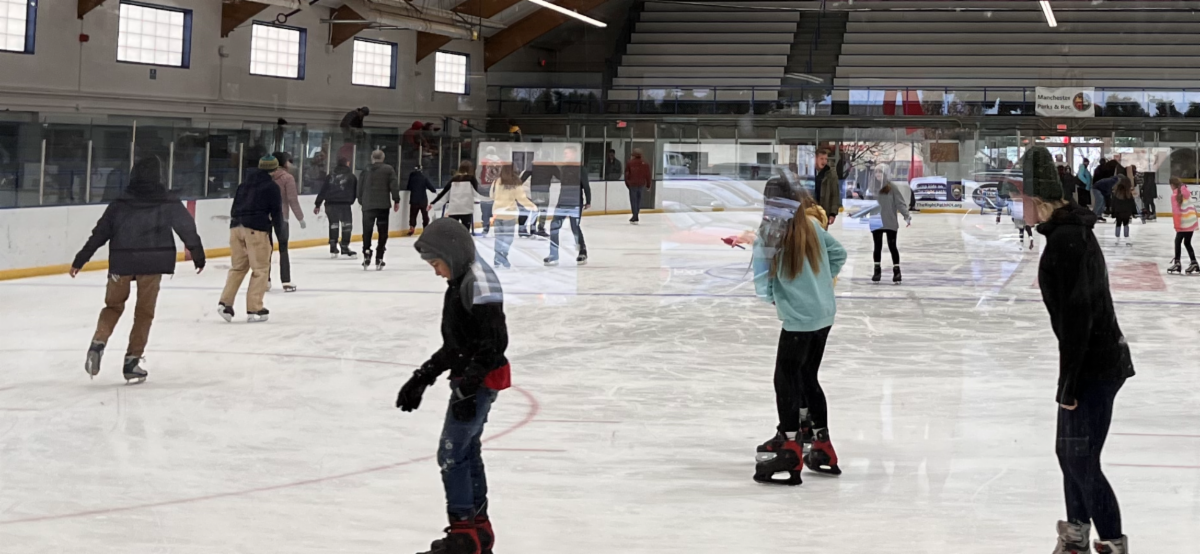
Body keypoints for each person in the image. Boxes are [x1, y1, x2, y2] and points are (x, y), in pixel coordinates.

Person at [1025, 146, 1134, 554]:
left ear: (1037, 200)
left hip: (1096, 365)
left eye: (1022, 197)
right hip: (1092, 362)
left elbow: (1078, 318)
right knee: (1068, 453)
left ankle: (1111, 542)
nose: (1019, 205)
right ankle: (1075, 534)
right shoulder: (1065, 234)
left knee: (1082, 459)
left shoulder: (1067, 241)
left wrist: (1069, 385)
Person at [396, 218, 511, 554]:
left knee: (451, 454)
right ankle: (478, 531)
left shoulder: (478, 284)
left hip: (480, 381)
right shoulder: (463, 278)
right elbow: (457, 345)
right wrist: (423, 376)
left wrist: (470, 386)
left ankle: (464, 535)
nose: (436, 272)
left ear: (452, 252)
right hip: (473, 379)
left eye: (436, 263)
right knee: (465, 451)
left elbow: (493, 345)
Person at [72, 156, 205, 384]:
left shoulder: (120, 202)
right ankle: (132, 361)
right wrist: (197, 254)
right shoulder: (167, 200)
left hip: (122, 263)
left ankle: (98, 342)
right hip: (152, 264)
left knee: (113, 306)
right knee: (144, 313)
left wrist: (80, 259)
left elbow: (100, 232)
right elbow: (186, 227)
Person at [751, 184, 847, 486]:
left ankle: (790, 444)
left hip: (799, 319)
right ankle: (822, 444)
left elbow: (762, 279)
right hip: (823, 315)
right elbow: (838, 254)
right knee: (808, 378)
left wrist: (776, 296)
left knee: (785, 378)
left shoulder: (769, 234)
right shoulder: (810, 226)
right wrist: (820, 284)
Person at [219, 155, 284, 324]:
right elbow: (276, 213)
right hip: (256, 230)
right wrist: (281, 235)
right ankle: (254, 308)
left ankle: (225, 303)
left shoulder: (243, 185)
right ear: (274, 170)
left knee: (238, 268)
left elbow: (234, 208)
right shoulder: (271, 187)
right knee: (260, 269)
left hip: (236, 228)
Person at [546, 145, 592, 266]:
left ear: (574, 154)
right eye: (564, 153)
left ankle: (583, 252)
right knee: (554, 226)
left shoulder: (581, 169)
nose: (565, 155)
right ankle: (553, 254)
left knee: (575, 228)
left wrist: (588, 201)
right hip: (562, 202)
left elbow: (586, 185)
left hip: (575, 202)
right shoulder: (564, 168)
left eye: (567, 153)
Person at [357, 149, 400, 271]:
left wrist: (361, 200)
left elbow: (359, 186)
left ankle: (366, 251)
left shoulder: (366, 170)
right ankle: (379, 256)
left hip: (368, 206)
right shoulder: (388, 170)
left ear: (372, 158)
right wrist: (396, 199)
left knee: (367, 230)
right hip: (383, 206)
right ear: (383, 158)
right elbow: (393, 185)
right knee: (382, 232)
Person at [269, 152, 304, 293]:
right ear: (284, 163)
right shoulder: (287, 178)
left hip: (265, 216)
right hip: (282, 217)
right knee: (283, 249)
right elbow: (292, 199)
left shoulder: (266, 177)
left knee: (266, 249)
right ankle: (286, 280)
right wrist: (300, 217)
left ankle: (265, 280)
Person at [490, 165, 537, 269]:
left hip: (497, 212)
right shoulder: (515, 183)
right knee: (508, 238)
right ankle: (503, 256)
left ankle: (498, 257)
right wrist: (532, 206)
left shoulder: (497, 181)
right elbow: (521, 198)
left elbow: (491, 195)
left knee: (499, 237)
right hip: (509, 214)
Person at [314, 157, 358, 259]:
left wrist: (317, 204)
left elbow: (323, 190)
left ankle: (333, 245)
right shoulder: (351, 177)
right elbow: (356, 191)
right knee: (346, 225)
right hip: (345, 204)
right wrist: (353, 200)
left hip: (330, 204)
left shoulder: (331, 176)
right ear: (347, 163)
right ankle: (344, 246)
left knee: (333, 224)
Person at [870, 177, 911, 283]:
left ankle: (897, 271)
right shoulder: (871, 187)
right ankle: (877, 271)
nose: (878, 175)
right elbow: (866, 205)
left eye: (880, 172)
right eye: (876, 172)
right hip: (876, 220)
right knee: (877, 246)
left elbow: (900, 203)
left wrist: (906, 216)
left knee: (892, 246)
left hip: (890, 220)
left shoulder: (892, 188)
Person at [433, 160, 483, 231]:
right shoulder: (472, 179)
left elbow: (444, 192)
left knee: (453, 232)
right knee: (465, 232)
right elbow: (477, 192)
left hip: (454, 209)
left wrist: (433, 202)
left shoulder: (454, 179)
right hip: (466, 209)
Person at [1168, 177, 1198, 275]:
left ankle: (1177, 263)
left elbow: (1176, 213)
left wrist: (1177, 226)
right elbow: (1192, 208)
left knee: (1177, 242)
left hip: (1183, 223)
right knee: (1187, 243)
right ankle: (1194, 263)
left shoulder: (1174, 196)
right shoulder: (1187, 192)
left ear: (1172, 185)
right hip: (1191, 222)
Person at [406, 162, 438, 236]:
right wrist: (435, 191)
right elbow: (431, 187)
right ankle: (425, 228)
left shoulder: (412, 177)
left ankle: (412, 227)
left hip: (414, 199)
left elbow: (408, 187)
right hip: (423, 200)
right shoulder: (424, 177)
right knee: (425, 215)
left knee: (413, 215)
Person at [814, 148, 842, 226]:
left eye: (826, 159)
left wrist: (833, 214)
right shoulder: (811, 173)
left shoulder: (831, 174)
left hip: (824, 212)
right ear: (815, 159)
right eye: (821, 158)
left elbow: (835, 195)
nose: (824, 161)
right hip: (810, 211)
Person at [624, 149, 651, 224]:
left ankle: (635, 215)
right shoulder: (645, 163)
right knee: (639, 200)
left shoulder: (630, 163)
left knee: (633, 200)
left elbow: (626, 175)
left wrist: (628, 184)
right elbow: (648, 175)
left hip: (632, 184)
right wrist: (648, 185)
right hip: (641, 184)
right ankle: (636, 214)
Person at [1110, 176, 1136, 246]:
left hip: (1118, 212)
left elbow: (1113, 204)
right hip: (1126, 212)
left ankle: (1117, 238)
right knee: (1126, 224)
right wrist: (1134, 212)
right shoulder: (1128, 193)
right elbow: (1132, 203)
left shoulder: (1116, 193)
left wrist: (1113, 213)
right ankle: (1127, 238)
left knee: (1118, 224)